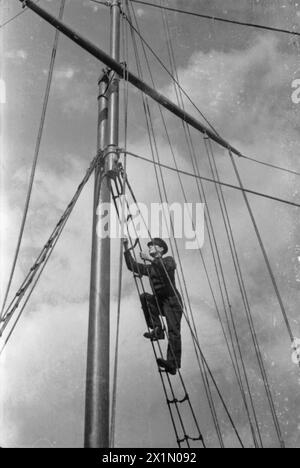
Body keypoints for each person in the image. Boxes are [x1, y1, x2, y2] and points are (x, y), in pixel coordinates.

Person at [123, 237, 183, 375]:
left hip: (173, 302)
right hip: (161, 302)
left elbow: (166, 268)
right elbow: (132, 266)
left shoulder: (168, 260)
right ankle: (157, 329)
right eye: (149, 246)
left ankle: (173, 364)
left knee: (173, 331)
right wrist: (126, 249)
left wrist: (150, 260)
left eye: (153, 246)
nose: (149, 247)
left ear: (161, 249)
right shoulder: (151, 268)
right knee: (145, 297)